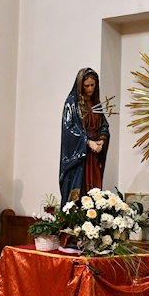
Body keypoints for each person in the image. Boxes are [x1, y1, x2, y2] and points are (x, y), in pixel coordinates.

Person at [59, 68, 110, 206]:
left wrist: (101, 140)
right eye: (86, 85)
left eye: (93, 85)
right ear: (80, 85)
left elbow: (104, 126)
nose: (90, 89)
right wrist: (87, 142)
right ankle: (75, 222)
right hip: (80, 155)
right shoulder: (71, 103)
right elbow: (68, 129)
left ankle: (93, 219)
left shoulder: (95, 104)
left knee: (94, 188)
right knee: (79, 187)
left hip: (94, 155)